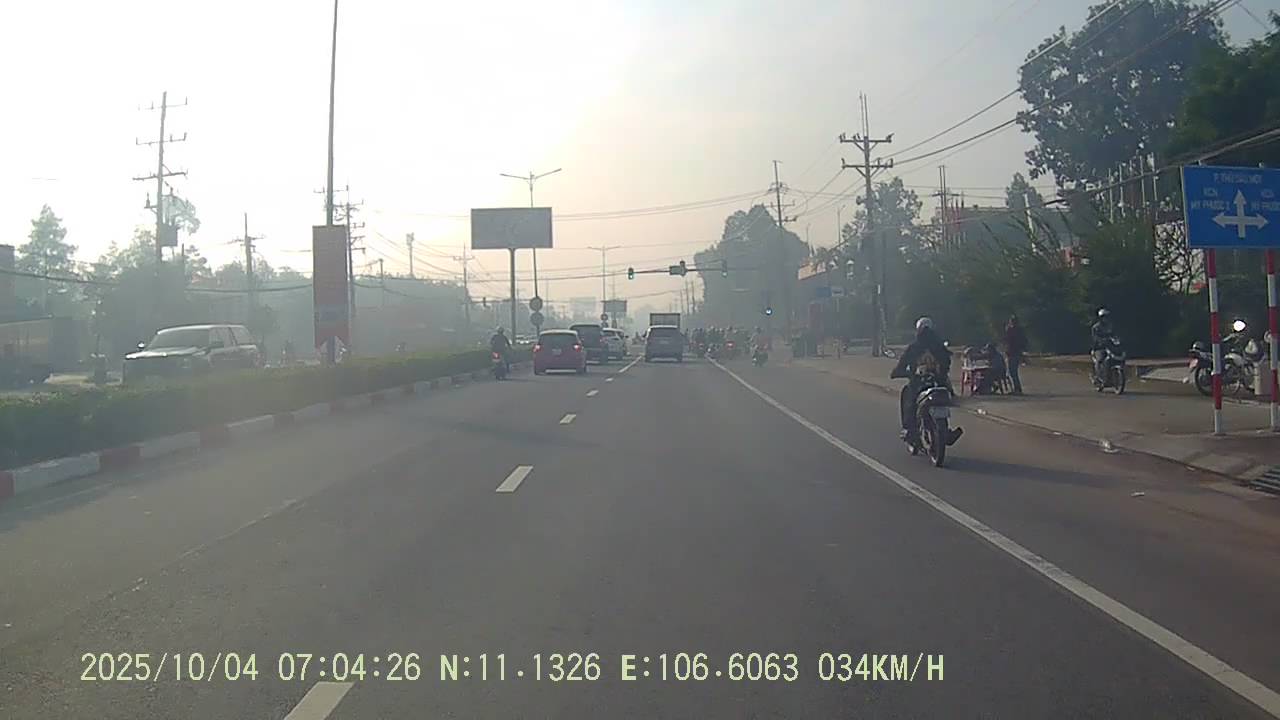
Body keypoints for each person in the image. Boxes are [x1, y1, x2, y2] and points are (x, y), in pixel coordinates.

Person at [890, 317, 958, 443]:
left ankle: (910, 430)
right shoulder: (938, 345)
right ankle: (945, 431)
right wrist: (941, 373)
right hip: (939, 381)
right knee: (947, 397)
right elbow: (947, 361)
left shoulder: (914, 347)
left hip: (919, 382)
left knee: (910, 401)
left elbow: (902, 364)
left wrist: (897, 372)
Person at [1004, 314, 1027, 395]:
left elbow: (1008, 341)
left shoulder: (1012, 330)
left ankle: (1017, 389)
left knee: (1013, 372)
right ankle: (1017, 388)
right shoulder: (1019, 330)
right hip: (1016, 352)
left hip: (1013, 353)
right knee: (1013, 372)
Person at [1090, 308, 1114, 384]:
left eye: (1107, 317)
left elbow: (1113, 335)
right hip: (1098, 348)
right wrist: (1102, 341)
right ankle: (1098, 377)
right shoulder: (1096, 327)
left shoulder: (1110, 326)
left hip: (1109, 347)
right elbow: (1095, 338)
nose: (1106, 319)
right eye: (1104, 317)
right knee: (1100, 360)